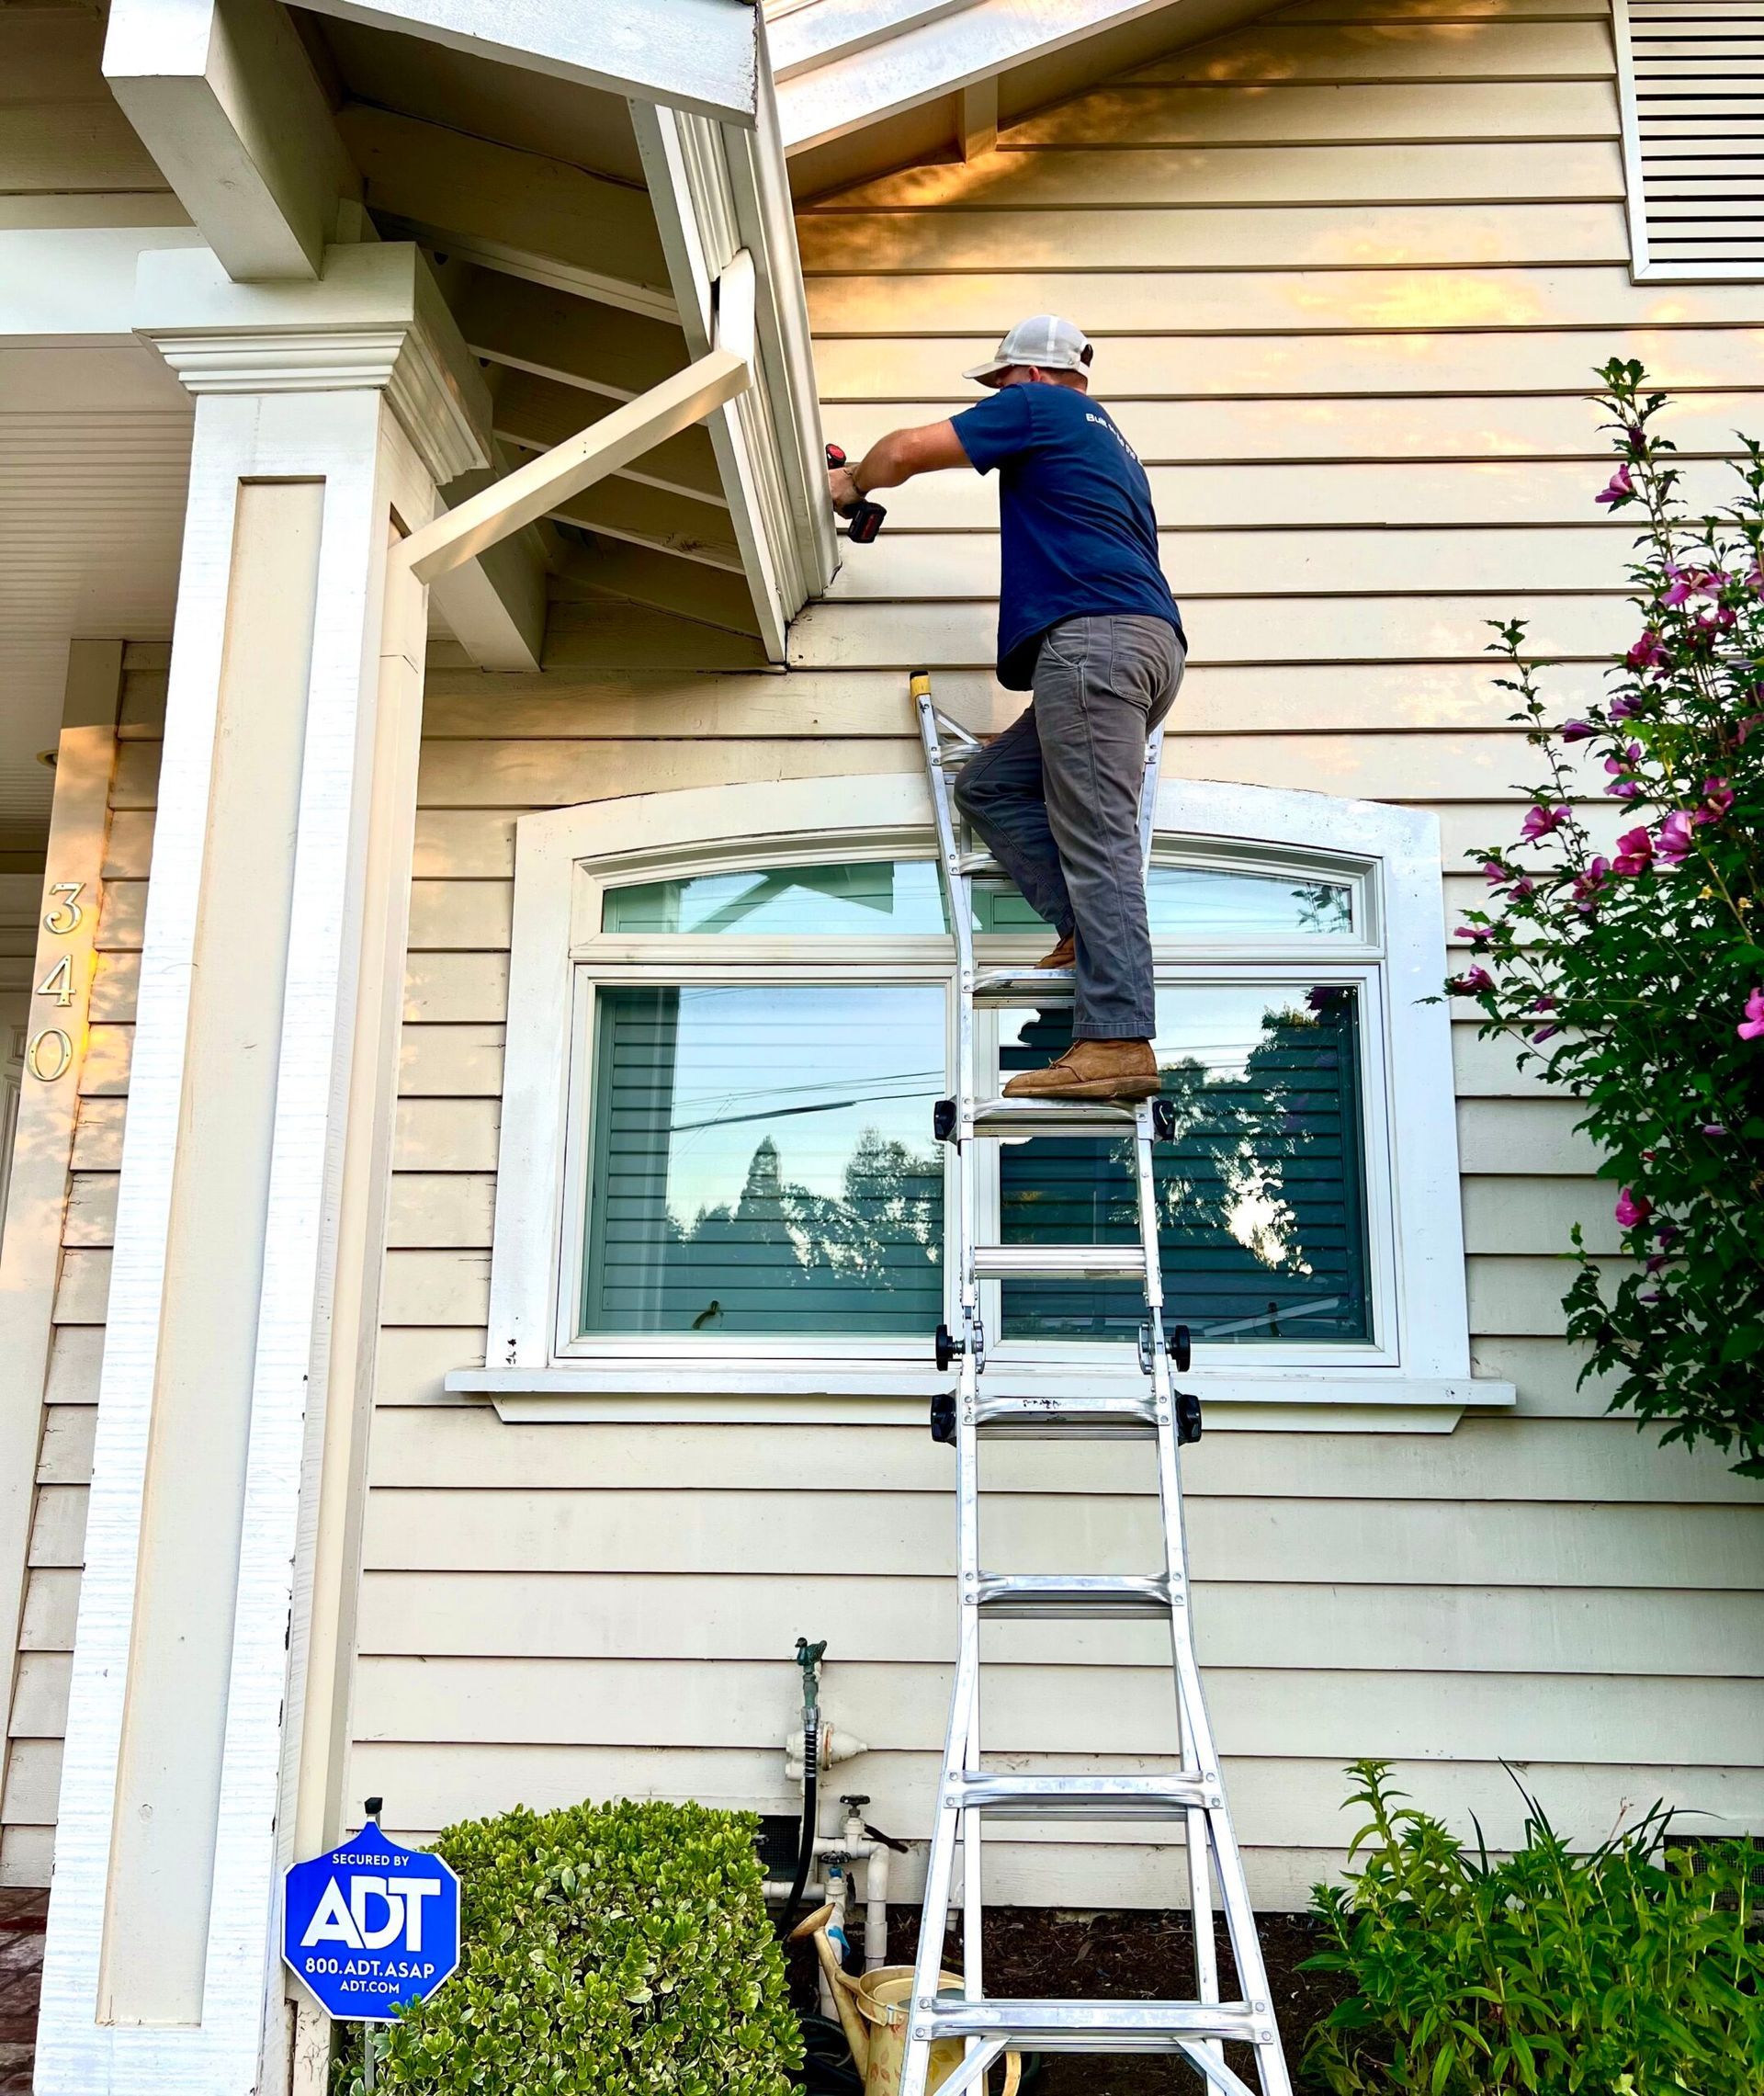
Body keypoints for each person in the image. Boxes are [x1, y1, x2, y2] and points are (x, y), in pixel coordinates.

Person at [827, 315, 1185, 1102]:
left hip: (1095, 647)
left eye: (998, 385)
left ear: (1027, 375)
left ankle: (1119, 1040)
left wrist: (851, 483)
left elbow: (905, 452)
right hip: (1138, 649)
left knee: (1099, 840)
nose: (996, 399)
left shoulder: (1042, 408)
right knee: (989, 785)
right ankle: (1082, 932)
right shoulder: (1111, 442)